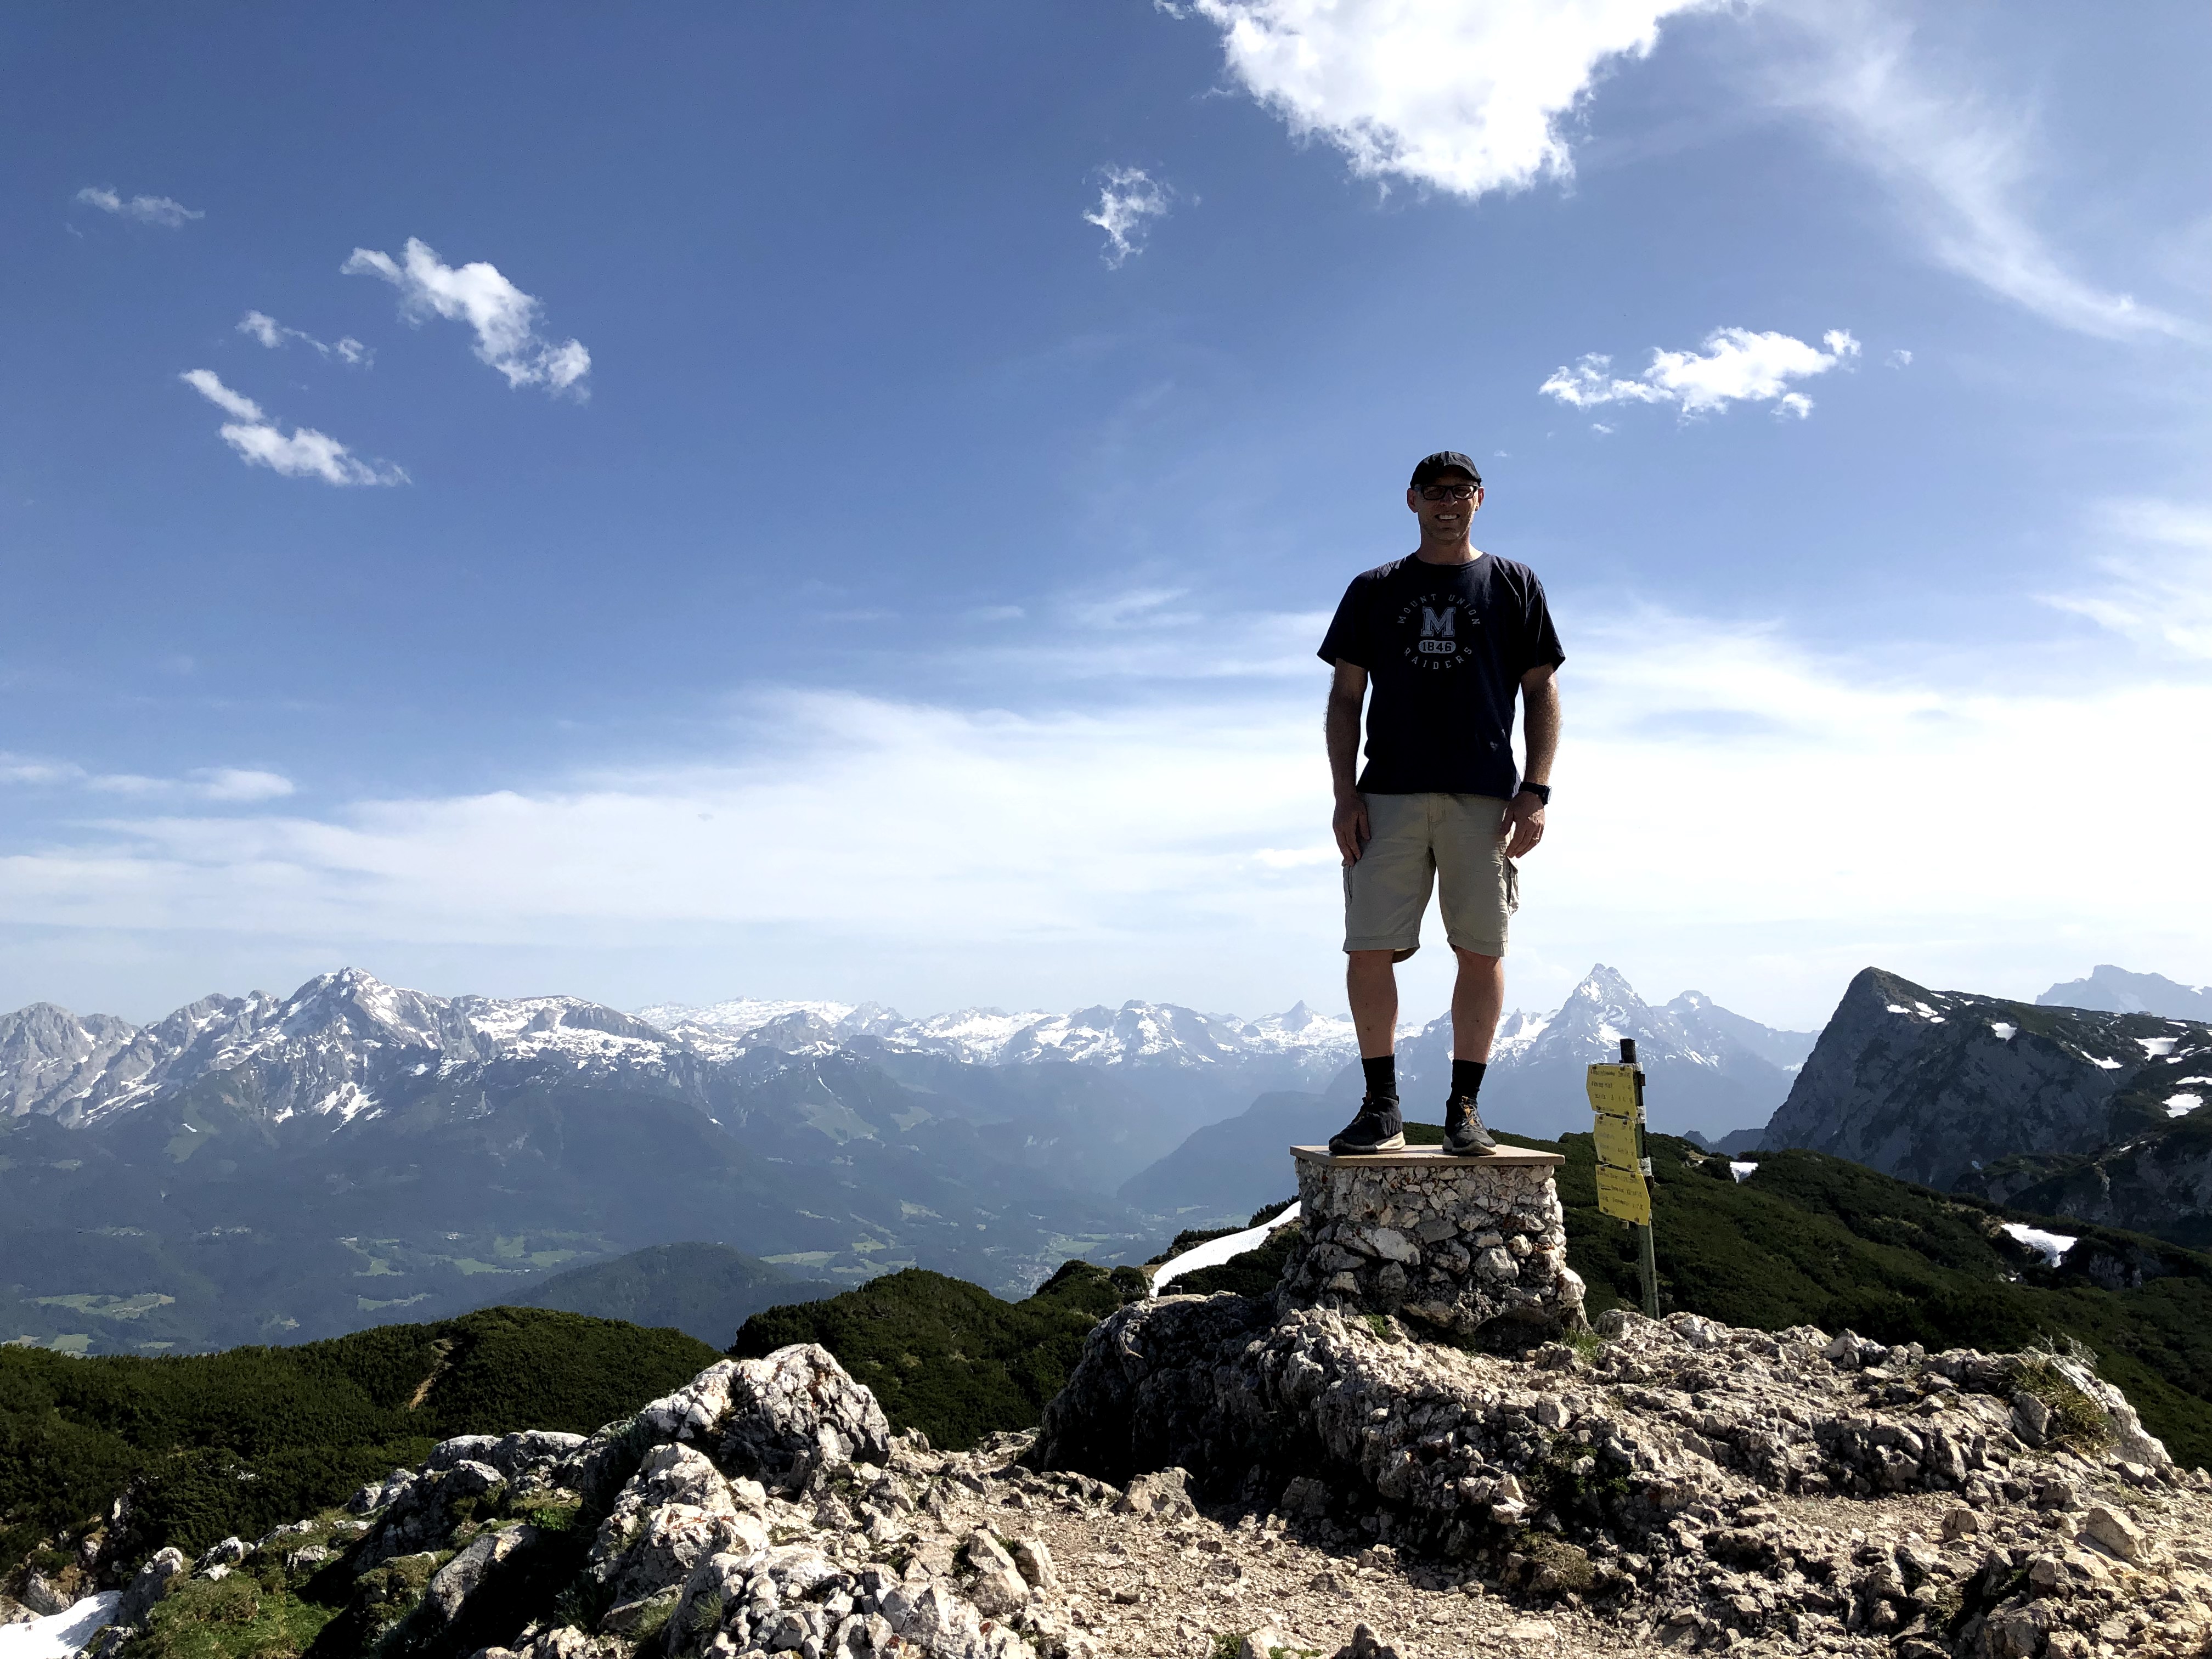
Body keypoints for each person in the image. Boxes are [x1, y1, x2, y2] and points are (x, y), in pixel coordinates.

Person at [1316, 451, 1564, 1157]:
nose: (1447, 503)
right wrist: (1343, 795)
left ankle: (1465, 1109)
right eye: (1434, 492)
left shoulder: (1514, 584)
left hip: (1484, 797)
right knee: (1368, 948)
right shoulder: (1373, 589)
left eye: (1459, 492)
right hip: (1385, 794)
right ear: (1412, 500)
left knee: (1480, 949)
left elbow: (1541, 690)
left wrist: (1536, 791)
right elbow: (1345, 698)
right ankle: (1381, 1107)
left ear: (1480, 499)